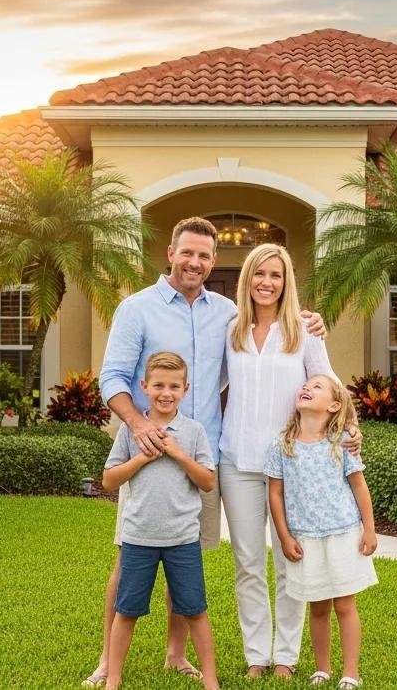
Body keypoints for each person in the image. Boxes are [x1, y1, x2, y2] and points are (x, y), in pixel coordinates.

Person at [85, 217, 328, 687]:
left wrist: (308, 319)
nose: (194, 262)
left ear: (214, 262)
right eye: (187, 253)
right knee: (128, 556)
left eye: (203, 255)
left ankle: (176, 654)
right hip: (149, 453)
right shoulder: (137, 309)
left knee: (187, 554)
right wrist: (138, 425)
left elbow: (273, 337)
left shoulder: (227, 315)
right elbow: (112, 378)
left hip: (204, 457)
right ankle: (106, 661)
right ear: (171, 254)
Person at [219, 243, 345, 679]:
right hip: (236, 461)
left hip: (291, 466)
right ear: (247, 279)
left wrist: (349, 427)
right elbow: (208, 382)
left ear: (286, 281)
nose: (267, 282)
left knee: (291, 560)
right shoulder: (231, 330)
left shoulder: (304, 330)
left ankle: (286, 657)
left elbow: (328, 383)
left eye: (276, 275)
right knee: (248, 563)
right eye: (259, 273)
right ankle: (257, 655)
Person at [101, 352, 220, 690]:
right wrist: (142, 458)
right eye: (158, 386)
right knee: (127, 610)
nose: (166, 393)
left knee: (194, 609)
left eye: (174, 387)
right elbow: (108, 480)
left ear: (185, 389)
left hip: (183, 539)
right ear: (144, 386)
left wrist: (179, 454)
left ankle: (211, 680)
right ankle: (113, 678)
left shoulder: (194, 432)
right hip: (138, 537)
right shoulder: (131, 431)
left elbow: (207, 481)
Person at [265, 375, 378, 690]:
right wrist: (285, 536)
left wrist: (369, 529)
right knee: (317, 606)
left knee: (344, 605)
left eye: (317, 387)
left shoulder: (342, 441)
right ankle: (322, 669)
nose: (306, 388)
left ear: (334, 405)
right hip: (305, 538)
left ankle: (350, 672)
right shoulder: (281, 444)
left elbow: (359, 486)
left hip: (343, 534)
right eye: (306, 386)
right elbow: (275, 494)